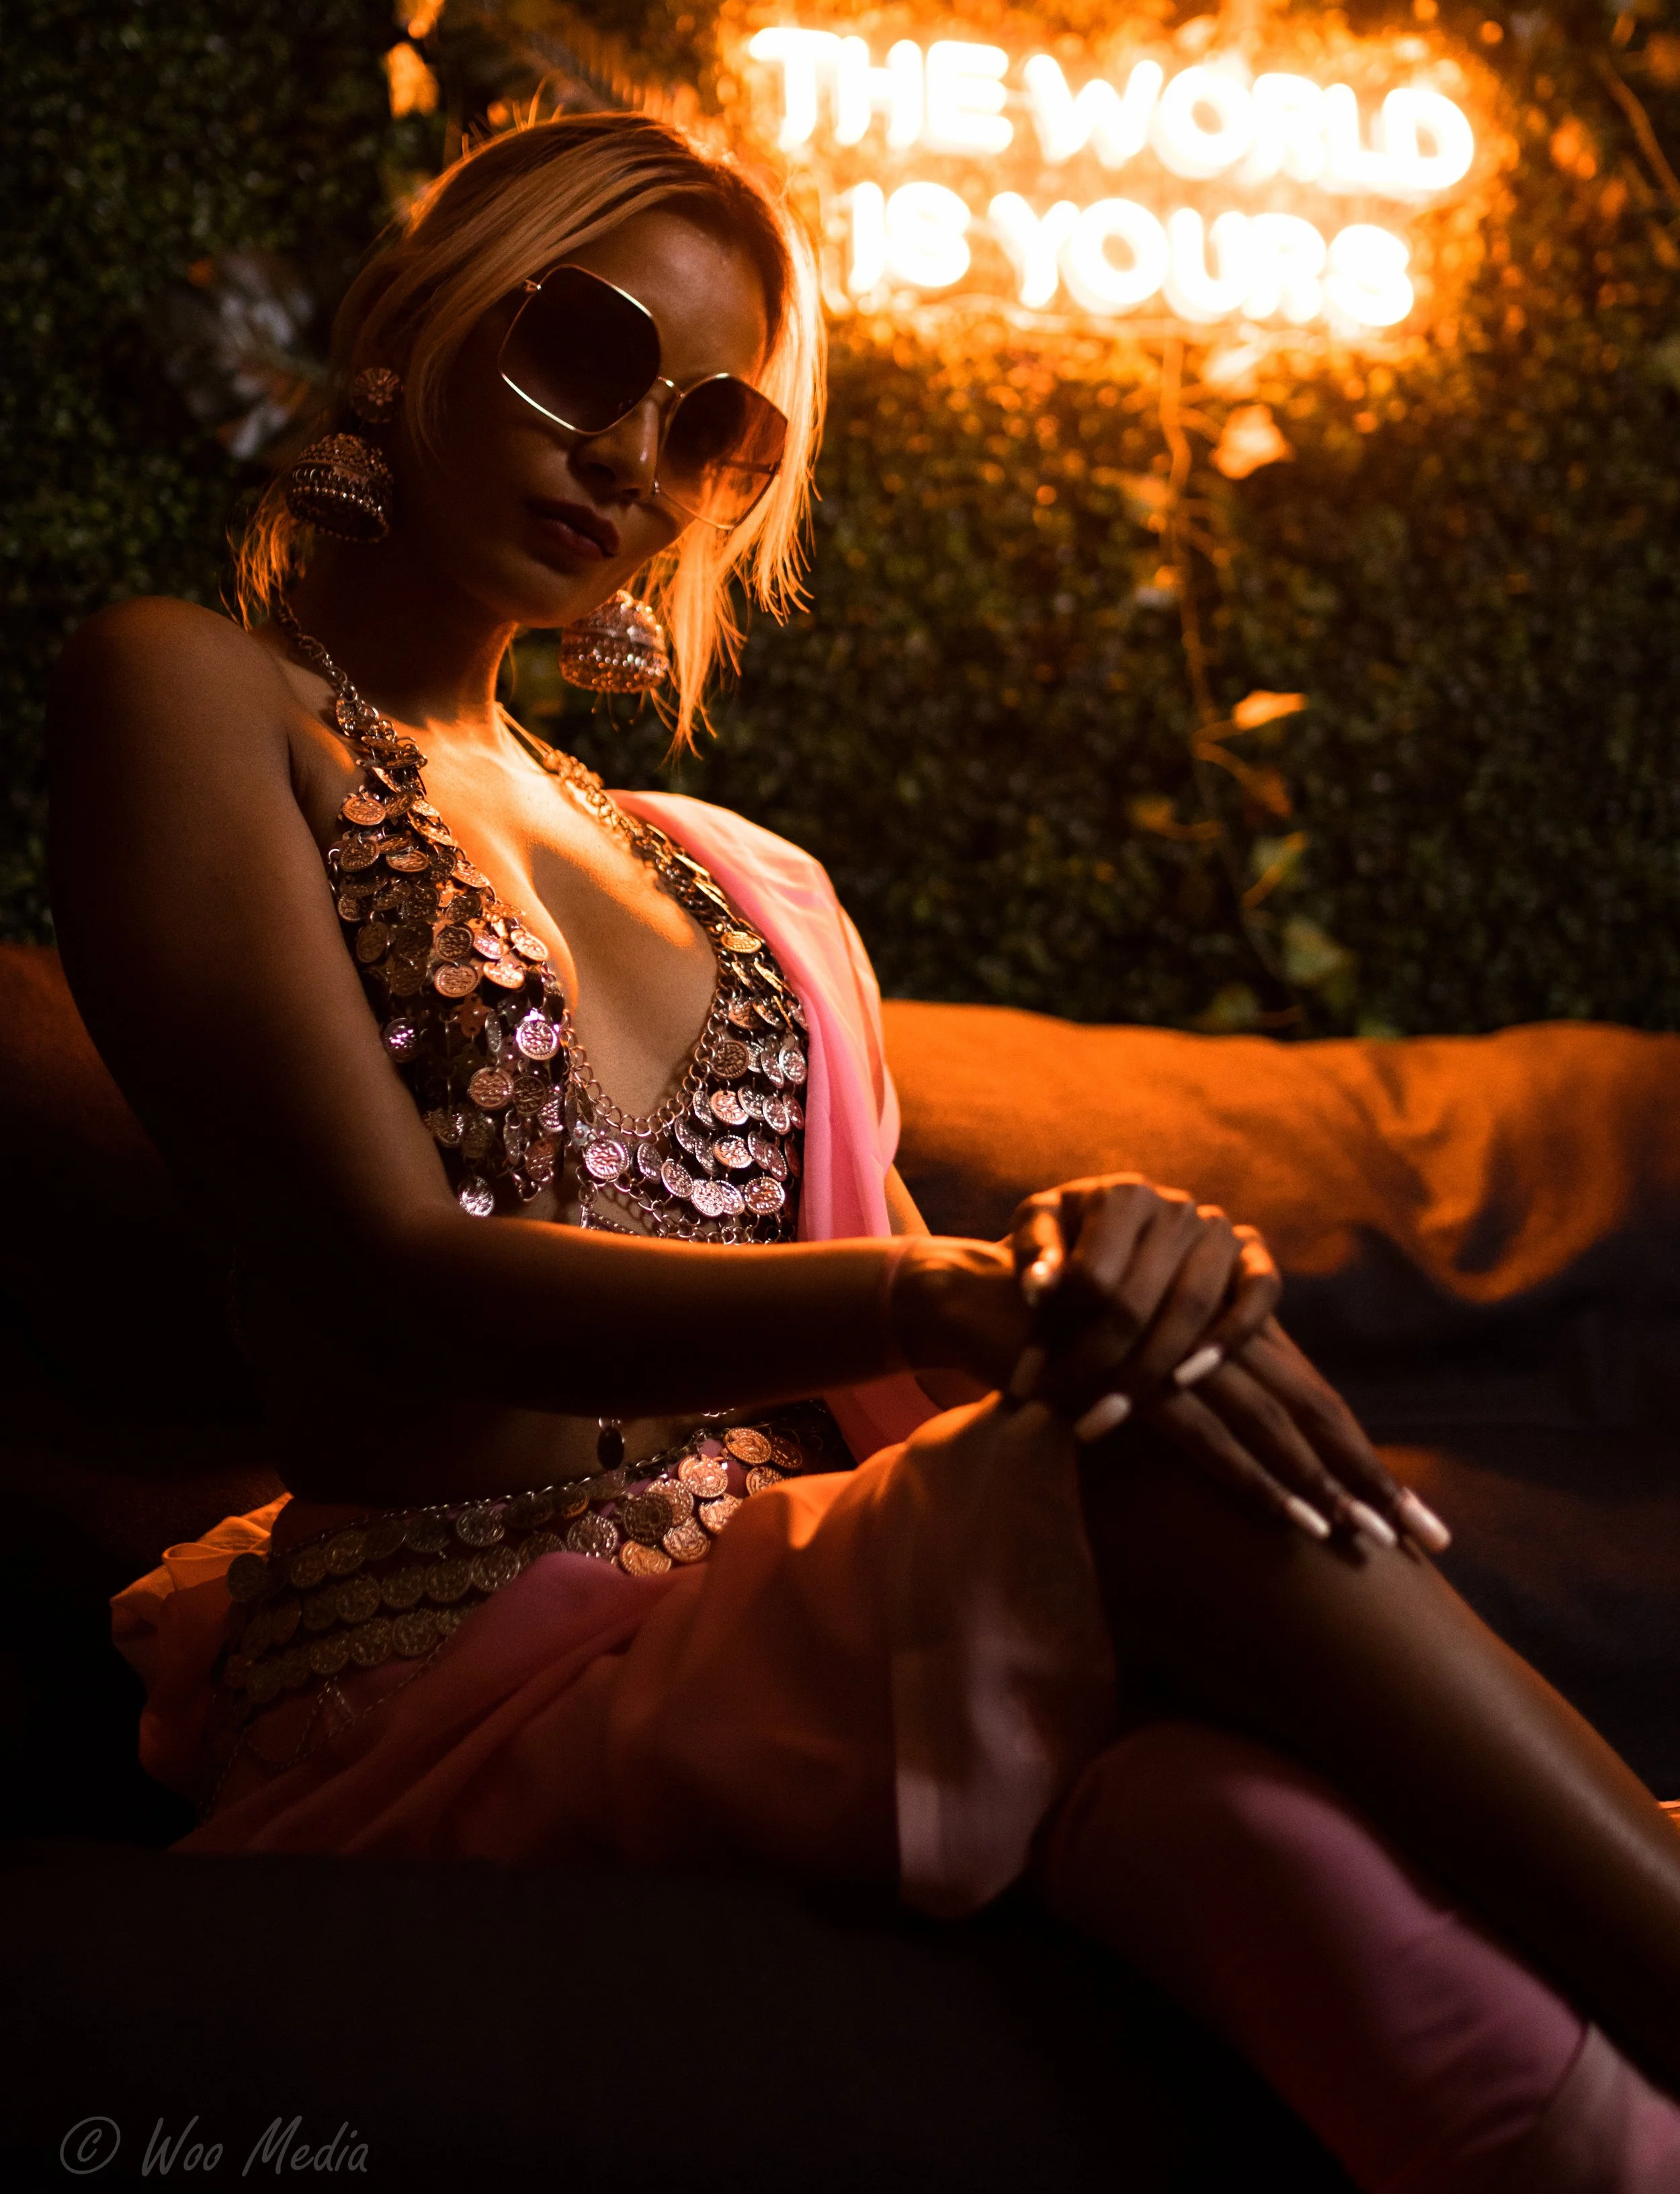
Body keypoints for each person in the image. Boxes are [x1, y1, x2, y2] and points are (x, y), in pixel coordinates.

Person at [49, 114, 1680, 2190]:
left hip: (781, 1608)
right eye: (585, 350)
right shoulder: (188, 692)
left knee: (1240, 1825)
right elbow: (381, 1257)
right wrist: (958, 1298)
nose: (633, 449)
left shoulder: (724, 874)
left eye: (713, 424)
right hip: (442, 1676)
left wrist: (1091, 1269)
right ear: (420, 324)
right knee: (1133, 1452)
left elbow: (898, 1348)